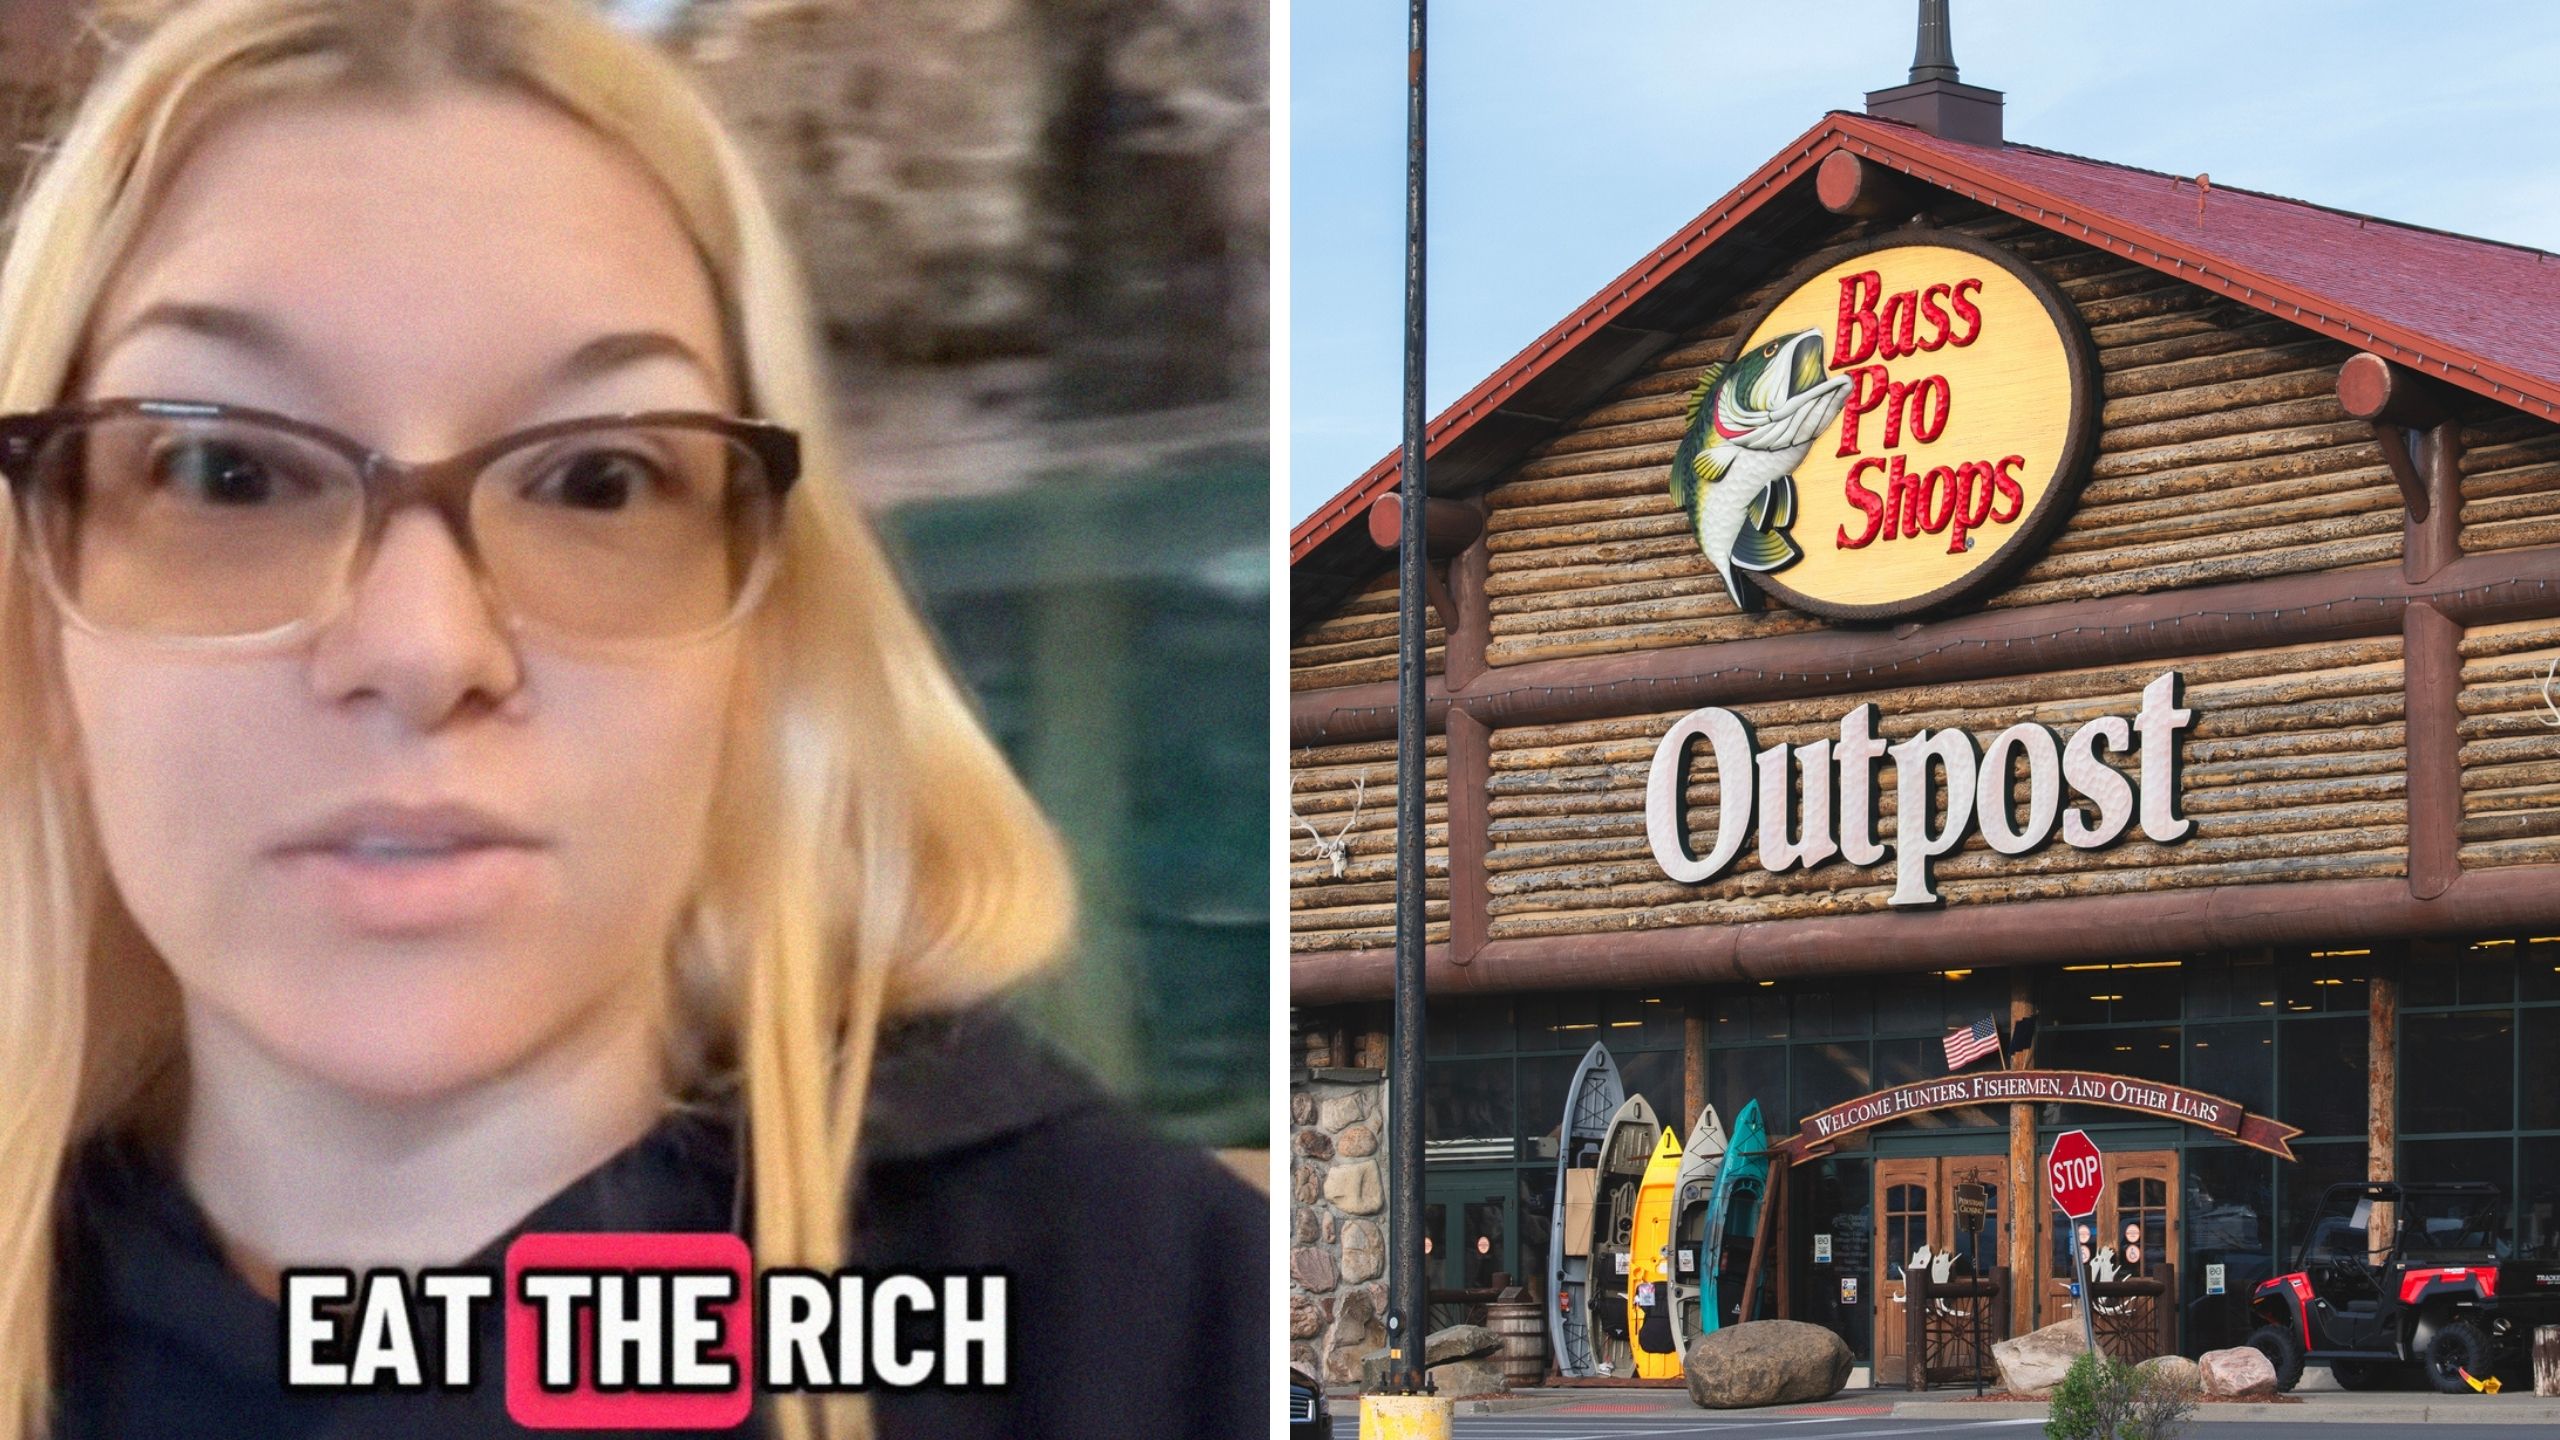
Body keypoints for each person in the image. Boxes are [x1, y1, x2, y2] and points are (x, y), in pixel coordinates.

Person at [0, 0, 1267, 1436]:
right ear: (40, 627)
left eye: (598, 481)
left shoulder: (1157, 1335)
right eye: (226, 470)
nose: (423, 649)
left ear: (763, 638)